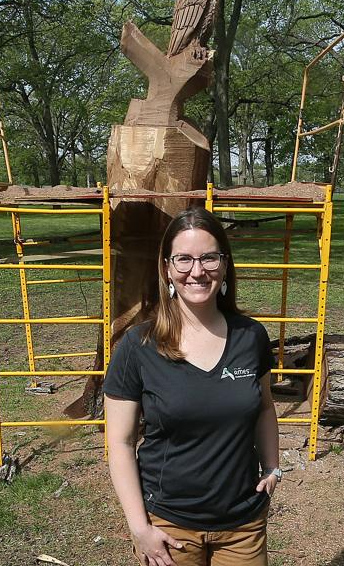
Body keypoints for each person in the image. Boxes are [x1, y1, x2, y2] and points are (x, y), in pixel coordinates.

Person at [104, 207, 281, 566]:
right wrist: (140, 527)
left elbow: (264, 407)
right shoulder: (138, 347)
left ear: (225, 263)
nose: (197, 271)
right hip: (170, 526)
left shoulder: (252, 336)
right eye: (183, 259)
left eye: (209, 258)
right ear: (167, 267)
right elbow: (119, 442)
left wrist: (273, 466)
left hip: (243, 525)